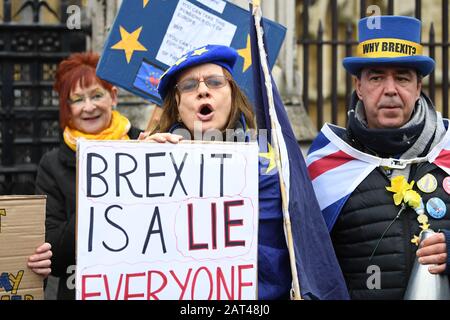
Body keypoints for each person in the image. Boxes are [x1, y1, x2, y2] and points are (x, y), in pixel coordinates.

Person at [142, 44, 348, 299]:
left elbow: (303, 242)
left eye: (215, 82)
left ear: (232, 93)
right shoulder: (150, 162)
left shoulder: (274, 162)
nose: (203, 91)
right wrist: (142, 169)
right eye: (189, 86)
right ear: (177, 101)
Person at [306, 16, 450, 299]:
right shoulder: (325, 164)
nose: (390, 90)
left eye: (402, 77)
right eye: (376, 78)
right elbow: (308, 265)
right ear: (359, 87)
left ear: (418, 87)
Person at [35, 52, 142, 299]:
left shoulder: (145, 145)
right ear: (67, 108)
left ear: (113, 97)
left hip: (144, 287)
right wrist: (94, 200)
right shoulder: (52, 166)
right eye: (77, 99)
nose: (89, 107)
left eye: (96, 95)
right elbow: (54, 257)